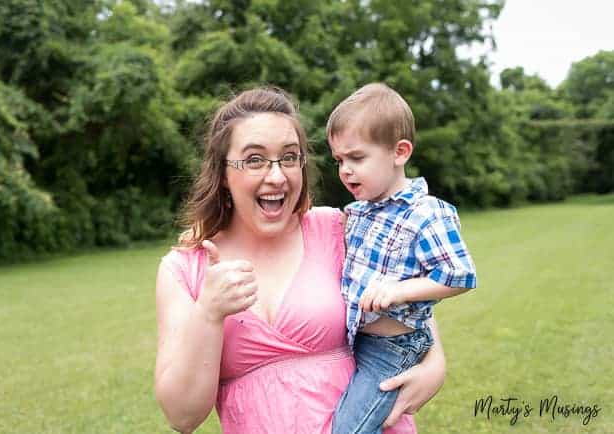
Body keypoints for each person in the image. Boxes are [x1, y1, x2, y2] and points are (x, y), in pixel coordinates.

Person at [154, 87, 447, 434]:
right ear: (222, 173)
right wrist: (208, 312)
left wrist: (435, 365)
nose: (277, 176)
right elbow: (182, 416)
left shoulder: (338, 230)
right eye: (254, 159)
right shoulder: (184, 269)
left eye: (290, 157)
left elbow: (410, 309)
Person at [327, 83, 477, 434]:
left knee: (349, 429)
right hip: (357, 341)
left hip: (393, 348)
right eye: (339, 160)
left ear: (400, 152)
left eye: (357, 157)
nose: (345, 170)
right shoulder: (359, 213)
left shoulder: (426, 213)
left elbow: (460, 275)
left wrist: (399, 290)